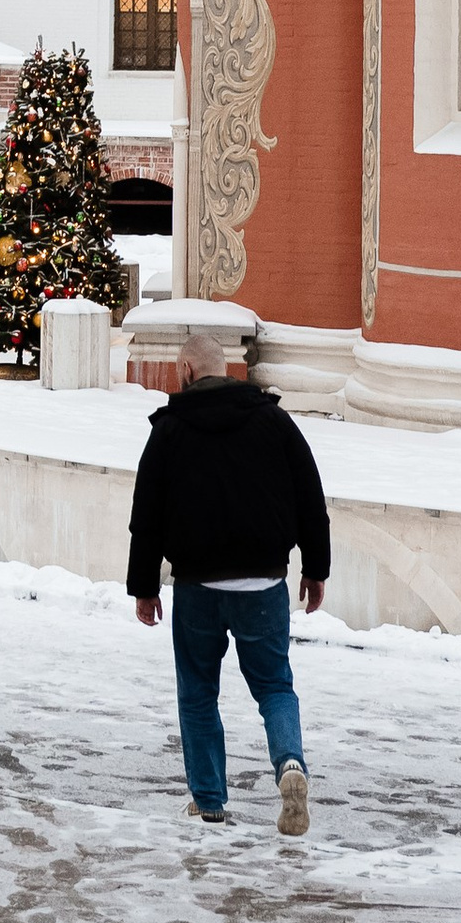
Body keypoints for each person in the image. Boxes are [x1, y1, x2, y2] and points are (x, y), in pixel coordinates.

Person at [127, 325, 330, 834]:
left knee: (198, 691)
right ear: (228, 370)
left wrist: (144, 586)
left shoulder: (169, 429)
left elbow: (146, 514)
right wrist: (316, 568)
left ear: (188, 371)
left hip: (198, 587)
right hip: (263, 584)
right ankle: (289, 764)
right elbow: (310, 496)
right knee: (275, 686)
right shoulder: (273, 422)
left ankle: (210, 800)